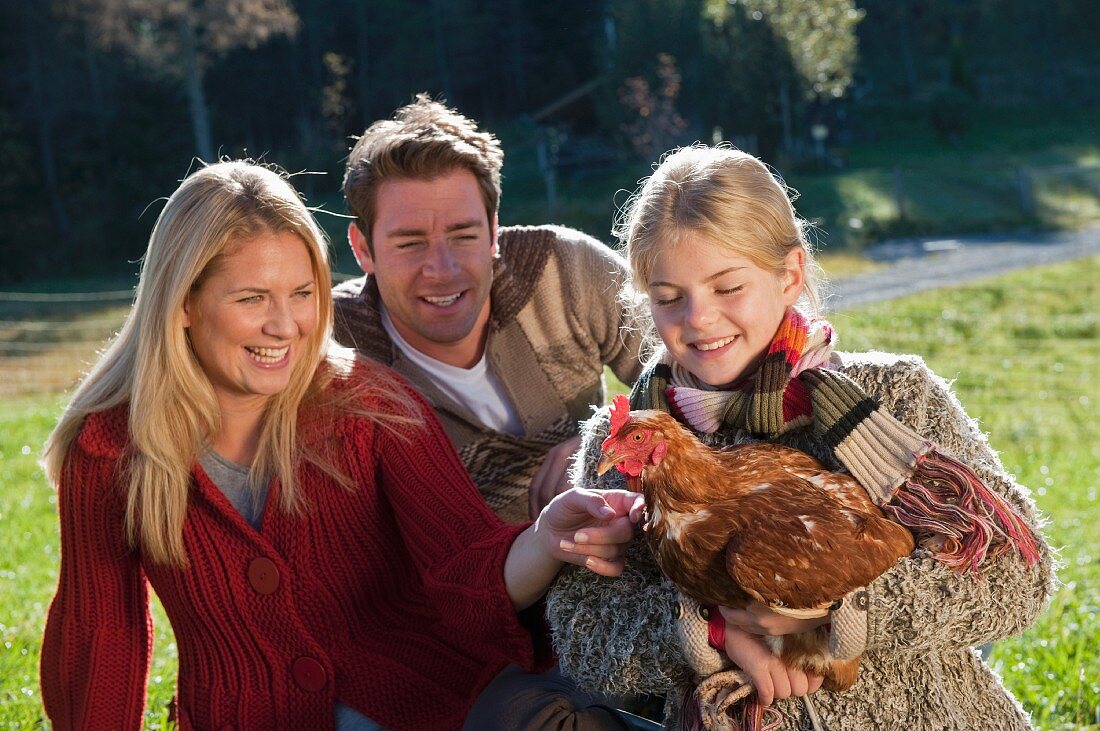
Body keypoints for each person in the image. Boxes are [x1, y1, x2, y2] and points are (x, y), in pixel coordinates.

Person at [38, 160, 645, 731]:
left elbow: (464, 562)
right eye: (252, 298)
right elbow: (99, 637)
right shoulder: (112, 449)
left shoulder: (370, 405)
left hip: (430, 705)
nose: (286, 325)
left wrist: (546, 537)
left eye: (302, 293)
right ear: (186, 303)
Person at [546, 145, 1054, 730]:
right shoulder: (626, 446)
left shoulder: (896, 396)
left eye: (727, 288)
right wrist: (712, 630)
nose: (700, 317)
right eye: (668, 298)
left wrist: (837, 614)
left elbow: (1018, 577)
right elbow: (583, 642)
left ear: (789, 275)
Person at [333, 95, 644, 525]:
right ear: (363, 249)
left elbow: (697, 378)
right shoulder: (327, 343)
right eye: (410, 243)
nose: (442, 269)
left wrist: (605, 440)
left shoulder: (566, 271)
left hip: (602, 555)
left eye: (463, 235)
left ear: (494, 230)